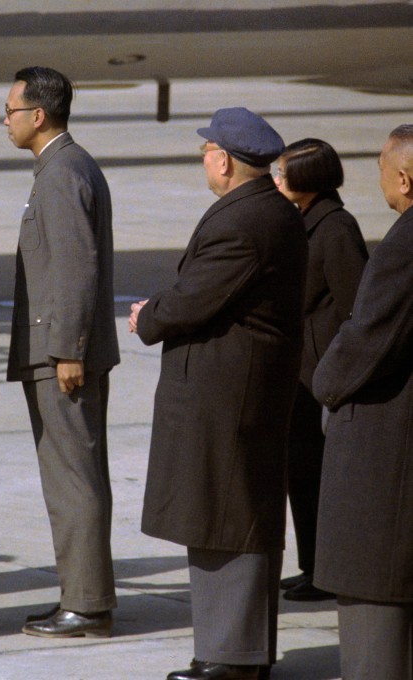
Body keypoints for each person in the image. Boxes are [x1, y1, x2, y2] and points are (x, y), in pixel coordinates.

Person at [128, 107, 307, 680]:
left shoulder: (245, 221)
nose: (204, 157)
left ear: (224, 160)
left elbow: (194, 298)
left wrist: (148, 315)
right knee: (221, 514)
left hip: (231, 397)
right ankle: (230, 651)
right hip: (232, 391)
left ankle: (234, 657)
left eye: (207, 149)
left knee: (230, 517)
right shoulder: (263, 211)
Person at [3, 66, 120, 638]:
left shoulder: (61, 174)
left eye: (10, 111)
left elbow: (77, 267)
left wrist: (68, 349)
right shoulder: (64, 167)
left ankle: (88, 604)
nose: (6, 121)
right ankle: (82, 594)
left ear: (38, 115)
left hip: (62, 357)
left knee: (73, 478)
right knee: (75, 476)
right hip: (60, 351)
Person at [312, 124, 413, 679]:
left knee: (375, 633)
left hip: (386, 458)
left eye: (379, 168)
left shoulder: (402, 245)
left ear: (403, 178)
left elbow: (367, 335)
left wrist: (324, 385)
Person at [272, 139, 367, 602]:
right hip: (300, 376)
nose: (275, 178)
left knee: (319, 478)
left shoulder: (335, 229)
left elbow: (358, 309)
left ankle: (325, 572)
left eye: (282, 172)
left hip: (321, 376)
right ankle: (313, 565)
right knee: (301, 476)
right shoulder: (304, 221)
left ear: (307, 179)